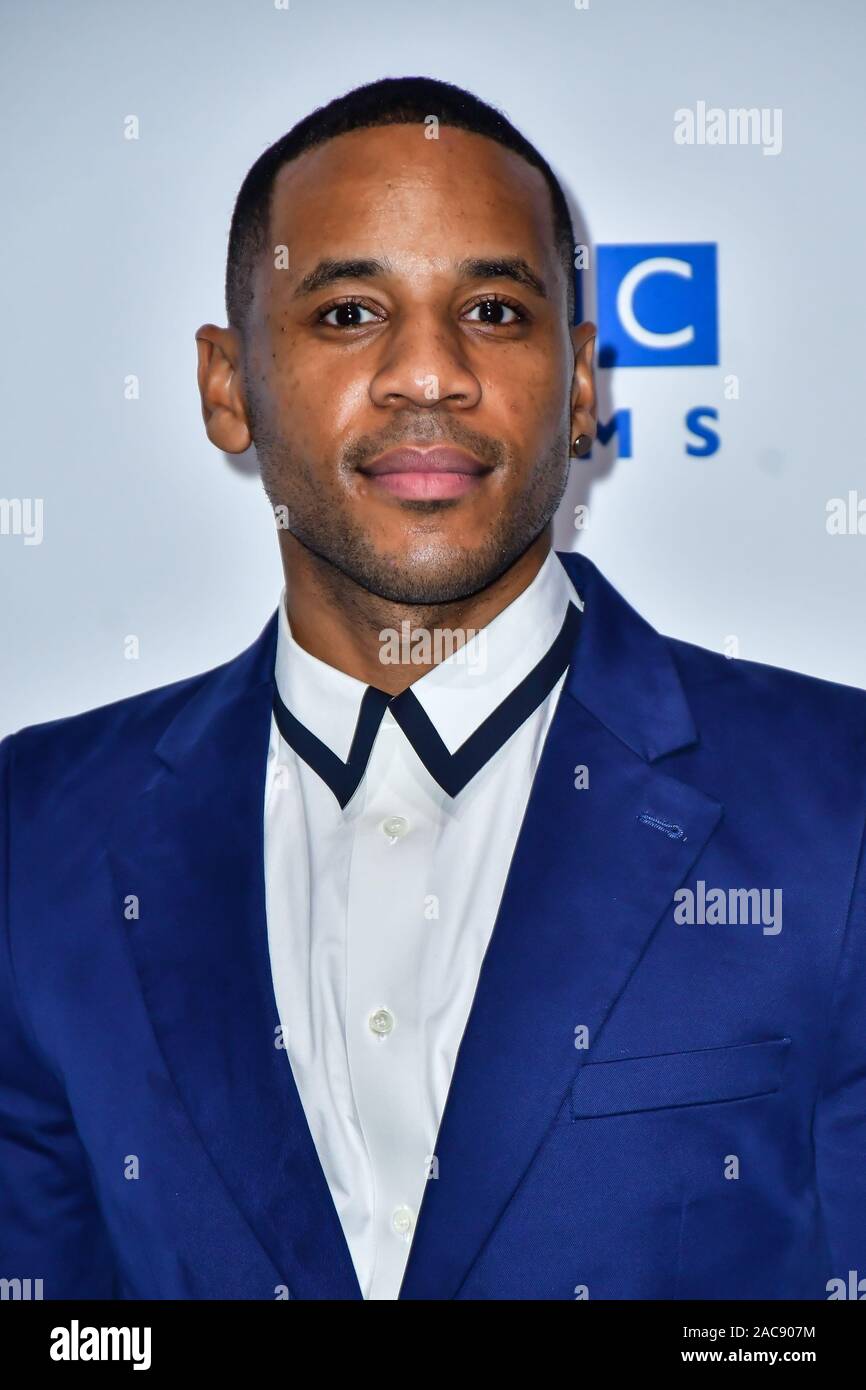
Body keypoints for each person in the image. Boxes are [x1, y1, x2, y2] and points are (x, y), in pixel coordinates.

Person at [1, 75, 864, 1302]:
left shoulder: (837, 807)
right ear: (225, 384)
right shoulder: (36, 828)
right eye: (349, 310)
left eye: (495, 311)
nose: (427, 373)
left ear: (577, 386)